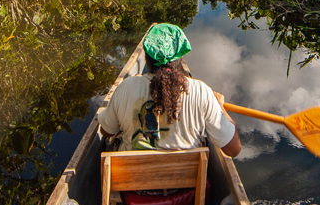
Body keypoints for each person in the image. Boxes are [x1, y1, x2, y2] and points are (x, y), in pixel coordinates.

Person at [98, 23, 241, 157]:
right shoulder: (202, 92)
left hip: (132, 180)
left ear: (147, 58)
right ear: (180, 58)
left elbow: (106, 131)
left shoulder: (125, 88)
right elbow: (234, 150)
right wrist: (220, 107)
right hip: (186, 181)